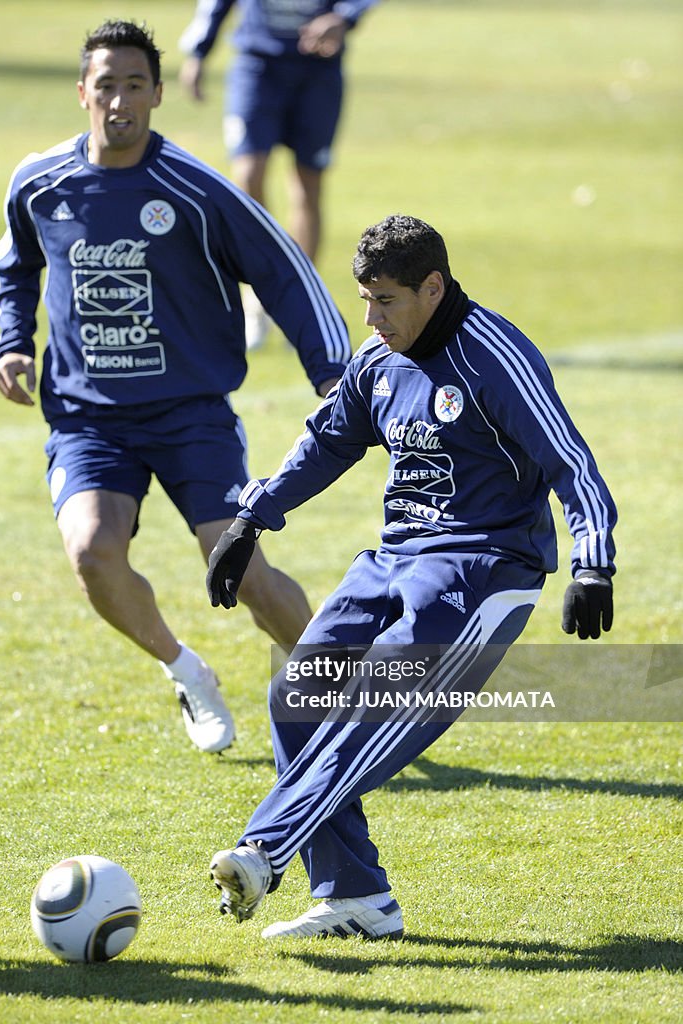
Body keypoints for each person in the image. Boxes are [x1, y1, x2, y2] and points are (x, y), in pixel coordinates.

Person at [203, 214, 617, 938]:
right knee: (294, 696)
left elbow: (570, 464)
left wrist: (592, 563)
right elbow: (328, 441)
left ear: (432, 287)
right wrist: (251, 520)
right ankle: (355, 896)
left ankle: (265, 848)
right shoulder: (376, 359)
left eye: (385, 301)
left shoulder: (494, 358)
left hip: (483, 568)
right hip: (394, 559)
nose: (371, 318)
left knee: (380, 698)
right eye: (364, 300)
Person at [0, 20, 350, 756]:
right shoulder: (40, 183)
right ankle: (187, 672)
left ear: (155, 94)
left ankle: (337, 702)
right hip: (89, 419)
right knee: (91, 552)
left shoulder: (193, 188)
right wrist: (12, 341)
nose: (117, 100)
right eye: (104, 85)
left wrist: (331, 370)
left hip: (190, 415)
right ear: (82, 91)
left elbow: (283, 268)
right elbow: (14, 266)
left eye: (133, 85)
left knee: (241, 570)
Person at [179, 0, 379, 349]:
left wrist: (343, 17)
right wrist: (199, 51)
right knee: (248, 175)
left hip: (318, 68)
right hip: (258, 64)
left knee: (307, 187)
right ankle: (258, 296)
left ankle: (299, 303)